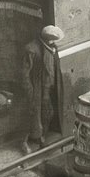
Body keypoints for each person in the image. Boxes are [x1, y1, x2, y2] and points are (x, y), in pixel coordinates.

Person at [23, 25, 64, 154]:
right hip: (36, 87)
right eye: (51, 40)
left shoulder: (52, 48)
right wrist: (29, 90)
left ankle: (40, 136)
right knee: (32, 114)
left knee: (48, 112)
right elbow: (24, 73)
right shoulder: (32, 49)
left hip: (47, 87)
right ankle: (25, 141)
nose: (53, 42)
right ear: (46, 38)